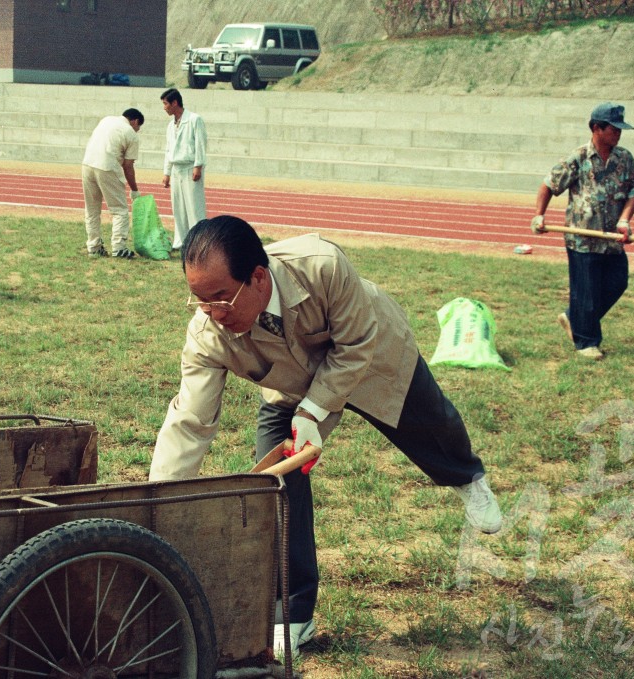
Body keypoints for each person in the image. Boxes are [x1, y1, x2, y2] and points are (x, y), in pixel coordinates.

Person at [149, 215, 502, 656]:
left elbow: (355, 345)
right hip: (291, 388)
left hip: (371, 355)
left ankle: (469, 478)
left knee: (434, 424)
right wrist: (157, 501)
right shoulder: (208, 335)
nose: (214, 315)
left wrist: (315, 412)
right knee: (277, 485)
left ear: (258, 277)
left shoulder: (321, 265)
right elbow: (190, 423)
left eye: (222, 298)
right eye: (200, 301)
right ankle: (295, 616)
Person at [531, 102, 634, 361]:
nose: (618, 134)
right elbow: (548, 185)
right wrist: (539, 214)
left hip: (612, 239)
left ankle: (574, 318)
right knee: (586, 291)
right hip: (581, 238)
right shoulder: (578, 157)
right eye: (613, 129)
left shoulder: (624, 159)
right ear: (596, 128)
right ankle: (586, 342)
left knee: (617, 282)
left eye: (620, 129)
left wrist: (624, 220)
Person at [81, 108, 144, 258]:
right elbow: (128, 166)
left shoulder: (106, 119)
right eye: (138, 127)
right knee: (119, 209)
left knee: (91, 209)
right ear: (135, 121)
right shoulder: (130, 134)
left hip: (87, 164)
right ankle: (118, 247)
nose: (137, 131)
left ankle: (94, 246)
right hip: (107, 166)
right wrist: (134, 189)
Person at [160, 88, 207, 251]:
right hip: (176, 170)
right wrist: (166, 172)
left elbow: (200, 144)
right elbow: (168, 150)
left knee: (194, 207)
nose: (164, 107)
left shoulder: (195, 120)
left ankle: (199, 241)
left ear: (175, 103)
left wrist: (198, 166)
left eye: (166, 104)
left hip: (190, 168)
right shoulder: (170, 125)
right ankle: (180, 241)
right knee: (178, 208)